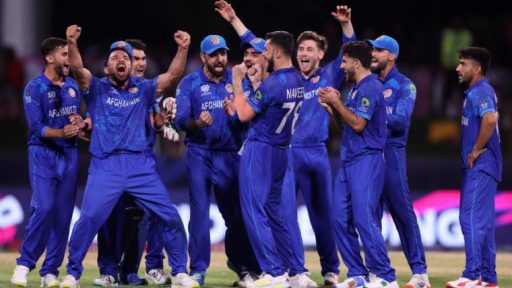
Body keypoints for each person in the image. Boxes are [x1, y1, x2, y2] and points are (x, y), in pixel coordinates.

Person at [59, 24, 199, 288]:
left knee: (169, 215)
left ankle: (180, 272)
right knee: (89, 219)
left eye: (126, 57)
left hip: (140, 166)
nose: (121, 60)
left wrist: (183, 48)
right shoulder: (97, 88)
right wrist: (71, 43)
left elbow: (173, 75)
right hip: (106, 165)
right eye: (115, 57)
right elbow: (77, 69)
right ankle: (72, 274)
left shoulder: (143, 89)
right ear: (106, 67)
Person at [91, 38, 180, 286]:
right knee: (109, 214)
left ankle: (132, 271)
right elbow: (96, 122)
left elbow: (155, 121)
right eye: (135, 58)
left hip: (143, 158)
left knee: (142, 216)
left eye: (142, 59)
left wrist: (164, 122)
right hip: (112, 160)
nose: (139, 63)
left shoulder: (147, 89)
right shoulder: (109, 89)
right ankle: (108, 270)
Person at [277, 5, 355, 287]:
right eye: (300, 49)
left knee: (323, 216)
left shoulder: (330, 75)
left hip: (317, 152)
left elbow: (350, 52)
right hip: (288, 153)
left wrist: (346, 25)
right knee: (286, 213)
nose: (303, 53)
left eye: (309, 49)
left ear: (321, 54)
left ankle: (330, 270)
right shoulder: (288, 77)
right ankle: (296, 270)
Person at [174, 34, 253, 287]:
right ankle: (198, 270)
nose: (220, 59)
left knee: (237, 216)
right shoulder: (190, 83)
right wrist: (197, 122)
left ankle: (240, 263)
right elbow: (180, 121)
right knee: (199, 214)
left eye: (223, 53)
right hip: (200, 153)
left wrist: (235, 115)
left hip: (230, 155)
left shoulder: (237, 80)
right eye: (214, 54)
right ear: (203, 58)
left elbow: (249, 116)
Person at [318, 41, 397, 288]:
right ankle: (358, 274)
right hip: (349, 158)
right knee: (339, 218)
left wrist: (336, 101)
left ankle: (384, 276)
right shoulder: (355, 89)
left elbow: (359, 125)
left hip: (367, 159)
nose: (342, 66)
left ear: (355, 61)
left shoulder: (371, 87)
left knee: (364, 219)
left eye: (344, 61)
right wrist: (333, 110)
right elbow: (348, 126)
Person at [231, 30, 304, 288]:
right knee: (274, 212)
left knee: (253, 209)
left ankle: (274, 272)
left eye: (265, 51)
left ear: (275, 52)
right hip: (282, 151)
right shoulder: (297, 80)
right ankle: (293, 272)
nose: (263, 55)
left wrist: (238, 81)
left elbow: (242, 113)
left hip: (261, 149)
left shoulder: (274, 84)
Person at [10, 37, 83, 288]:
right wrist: (62, 132)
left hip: (70, 155)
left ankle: (49, 271)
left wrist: (80, 124)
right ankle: (23, 265)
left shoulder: (73, 86)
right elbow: (36, 127)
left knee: (63, 215)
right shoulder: (34, 88)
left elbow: (78, 120)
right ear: (50, 58)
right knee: (43, 207)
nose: (69, 60)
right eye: (65, 54)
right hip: (43, 154)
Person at [366, 35, 430, 288]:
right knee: (368, 216)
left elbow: (401, 120)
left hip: (391, 154)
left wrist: (369, 118)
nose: (373, 53)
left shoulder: (405, 86)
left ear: (392, 55)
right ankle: (378, 272)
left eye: (379, 50)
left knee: (402, 213)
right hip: (368, 154)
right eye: (372, 49)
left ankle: (420, 273)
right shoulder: (368, 84)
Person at [446, 47, 502, 288]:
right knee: (485, 223)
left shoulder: (480, 91)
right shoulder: (477, 91)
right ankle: (488, 278)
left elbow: (491, 118)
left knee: (469, 217)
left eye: (463, 64)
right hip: (486, 166)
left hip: (481, 165)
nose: (458, 68)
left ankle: (472, 275)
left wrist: (476, 149)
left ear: (476, 69)